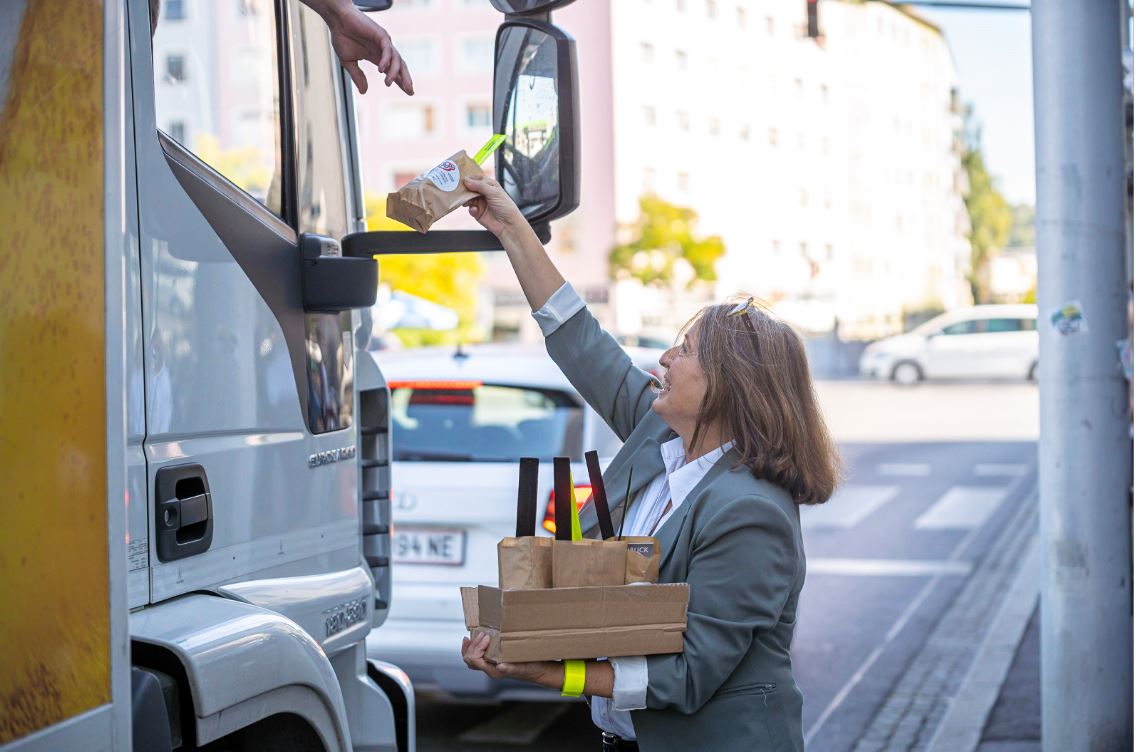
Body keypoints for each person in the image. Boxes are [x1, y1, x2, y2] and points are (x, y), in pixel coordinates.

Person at [458, 176, 842, 751]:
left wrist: (552, 676)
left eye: (684, 351)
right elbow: (580, 340)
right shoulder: (659, 436)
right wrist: (510, 225)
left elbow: (687, 674)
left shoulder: (750, 511)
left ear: (728, 387)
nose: (664, 357)